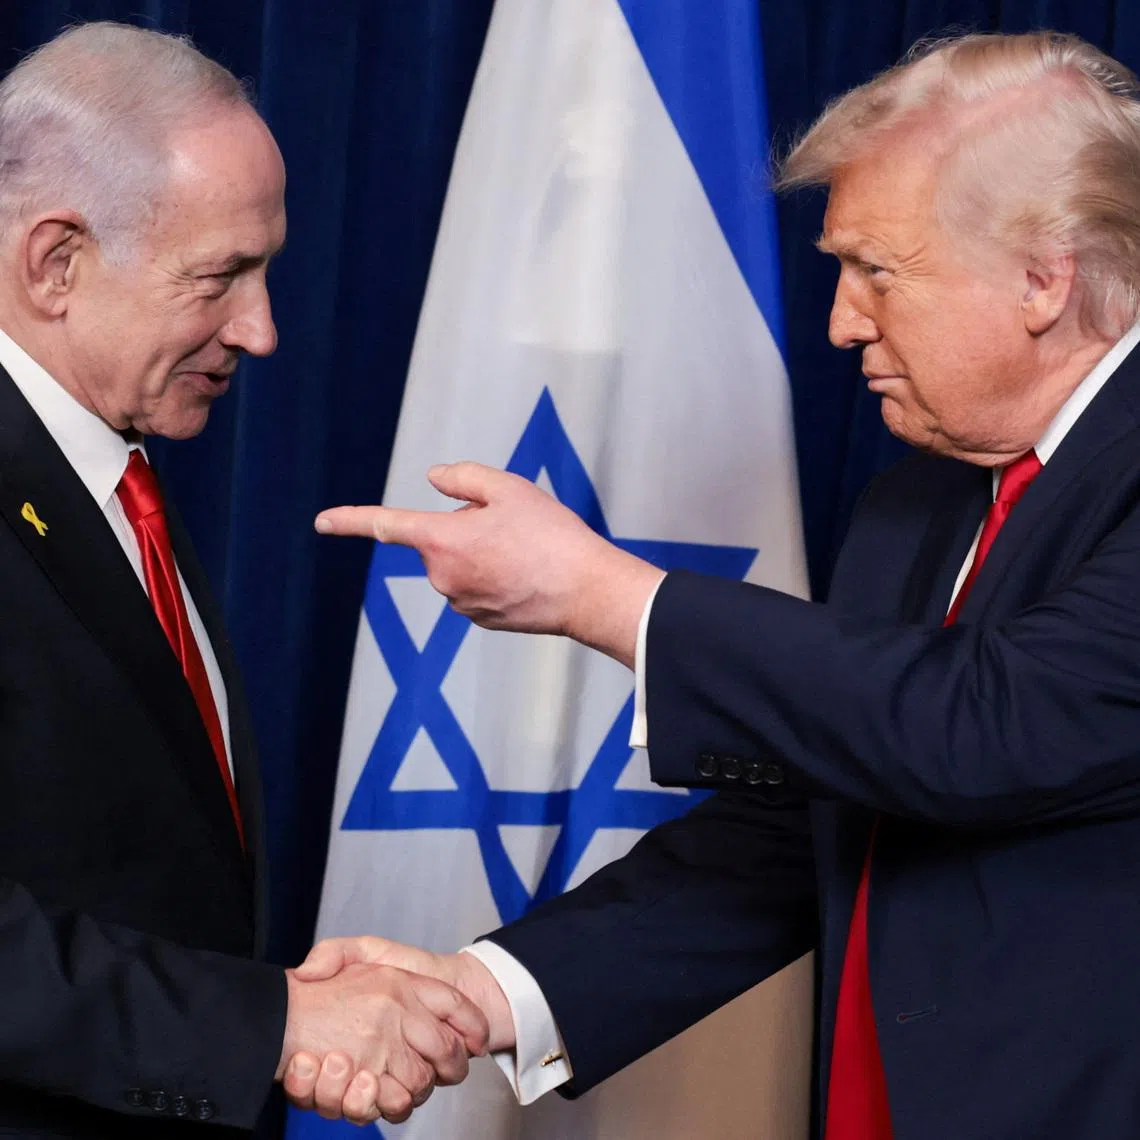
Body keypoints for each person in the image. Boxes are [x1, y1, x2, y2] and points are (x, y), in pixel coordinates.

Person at [303, 29, 1140, 1139]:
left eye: (876, 271)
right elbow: (801, 835)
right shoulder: (917, 506)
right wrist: (486, 994)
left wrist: (607, 595)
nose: (842, 321)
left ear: (1044, 278)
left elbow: (984, 725)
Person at [0, 21, 490, 1138]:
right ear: (55, 262)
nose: (263, 331)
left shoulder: (110, 474)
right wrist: (270, 1026)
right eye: (222, 276)